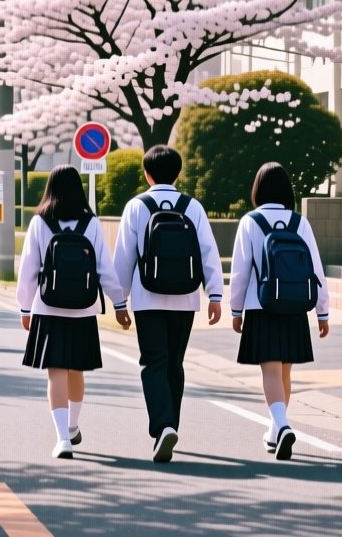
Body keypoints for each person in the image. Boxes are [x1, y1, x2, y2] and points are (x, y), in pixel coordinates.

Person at [112, 145, 224, 464]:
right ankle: (171, 423)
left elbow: (124, 258)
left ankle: (163, 425)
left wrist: (120, 302)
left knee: (153, 361)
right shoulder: (193, 207)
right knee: (175, 361)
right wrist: (215, 295)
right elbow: (208, 252)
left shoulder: (136, 206)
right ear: (178, 173)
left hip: (147, 299)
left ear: (147, 174)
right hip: (186, 297)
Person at [18, 165, 130, 460]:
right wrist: (119, 303)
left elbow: (28, 269)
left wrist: (25, 306)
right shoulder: (90, 223)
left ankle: (62, 439)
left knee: (56, 372)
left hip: (48, 306)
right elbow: (104, 267)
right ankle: (73, 425)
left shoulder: (40, 222)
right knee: (77, 370)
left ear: (50, 188)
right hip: (83, 307)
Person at [229, 161, 330, 462]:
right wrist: (322, 312)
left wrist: (236, 310)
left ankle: (282, 426)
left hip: (262, 305)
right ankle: (275, 430)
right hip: (296, 305)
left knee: (270, 370)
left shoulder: (250, 221)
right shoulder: (300, 222)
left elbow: (240, 271)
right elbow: (316, 268)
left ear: (258, 189)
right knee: (285, 370)